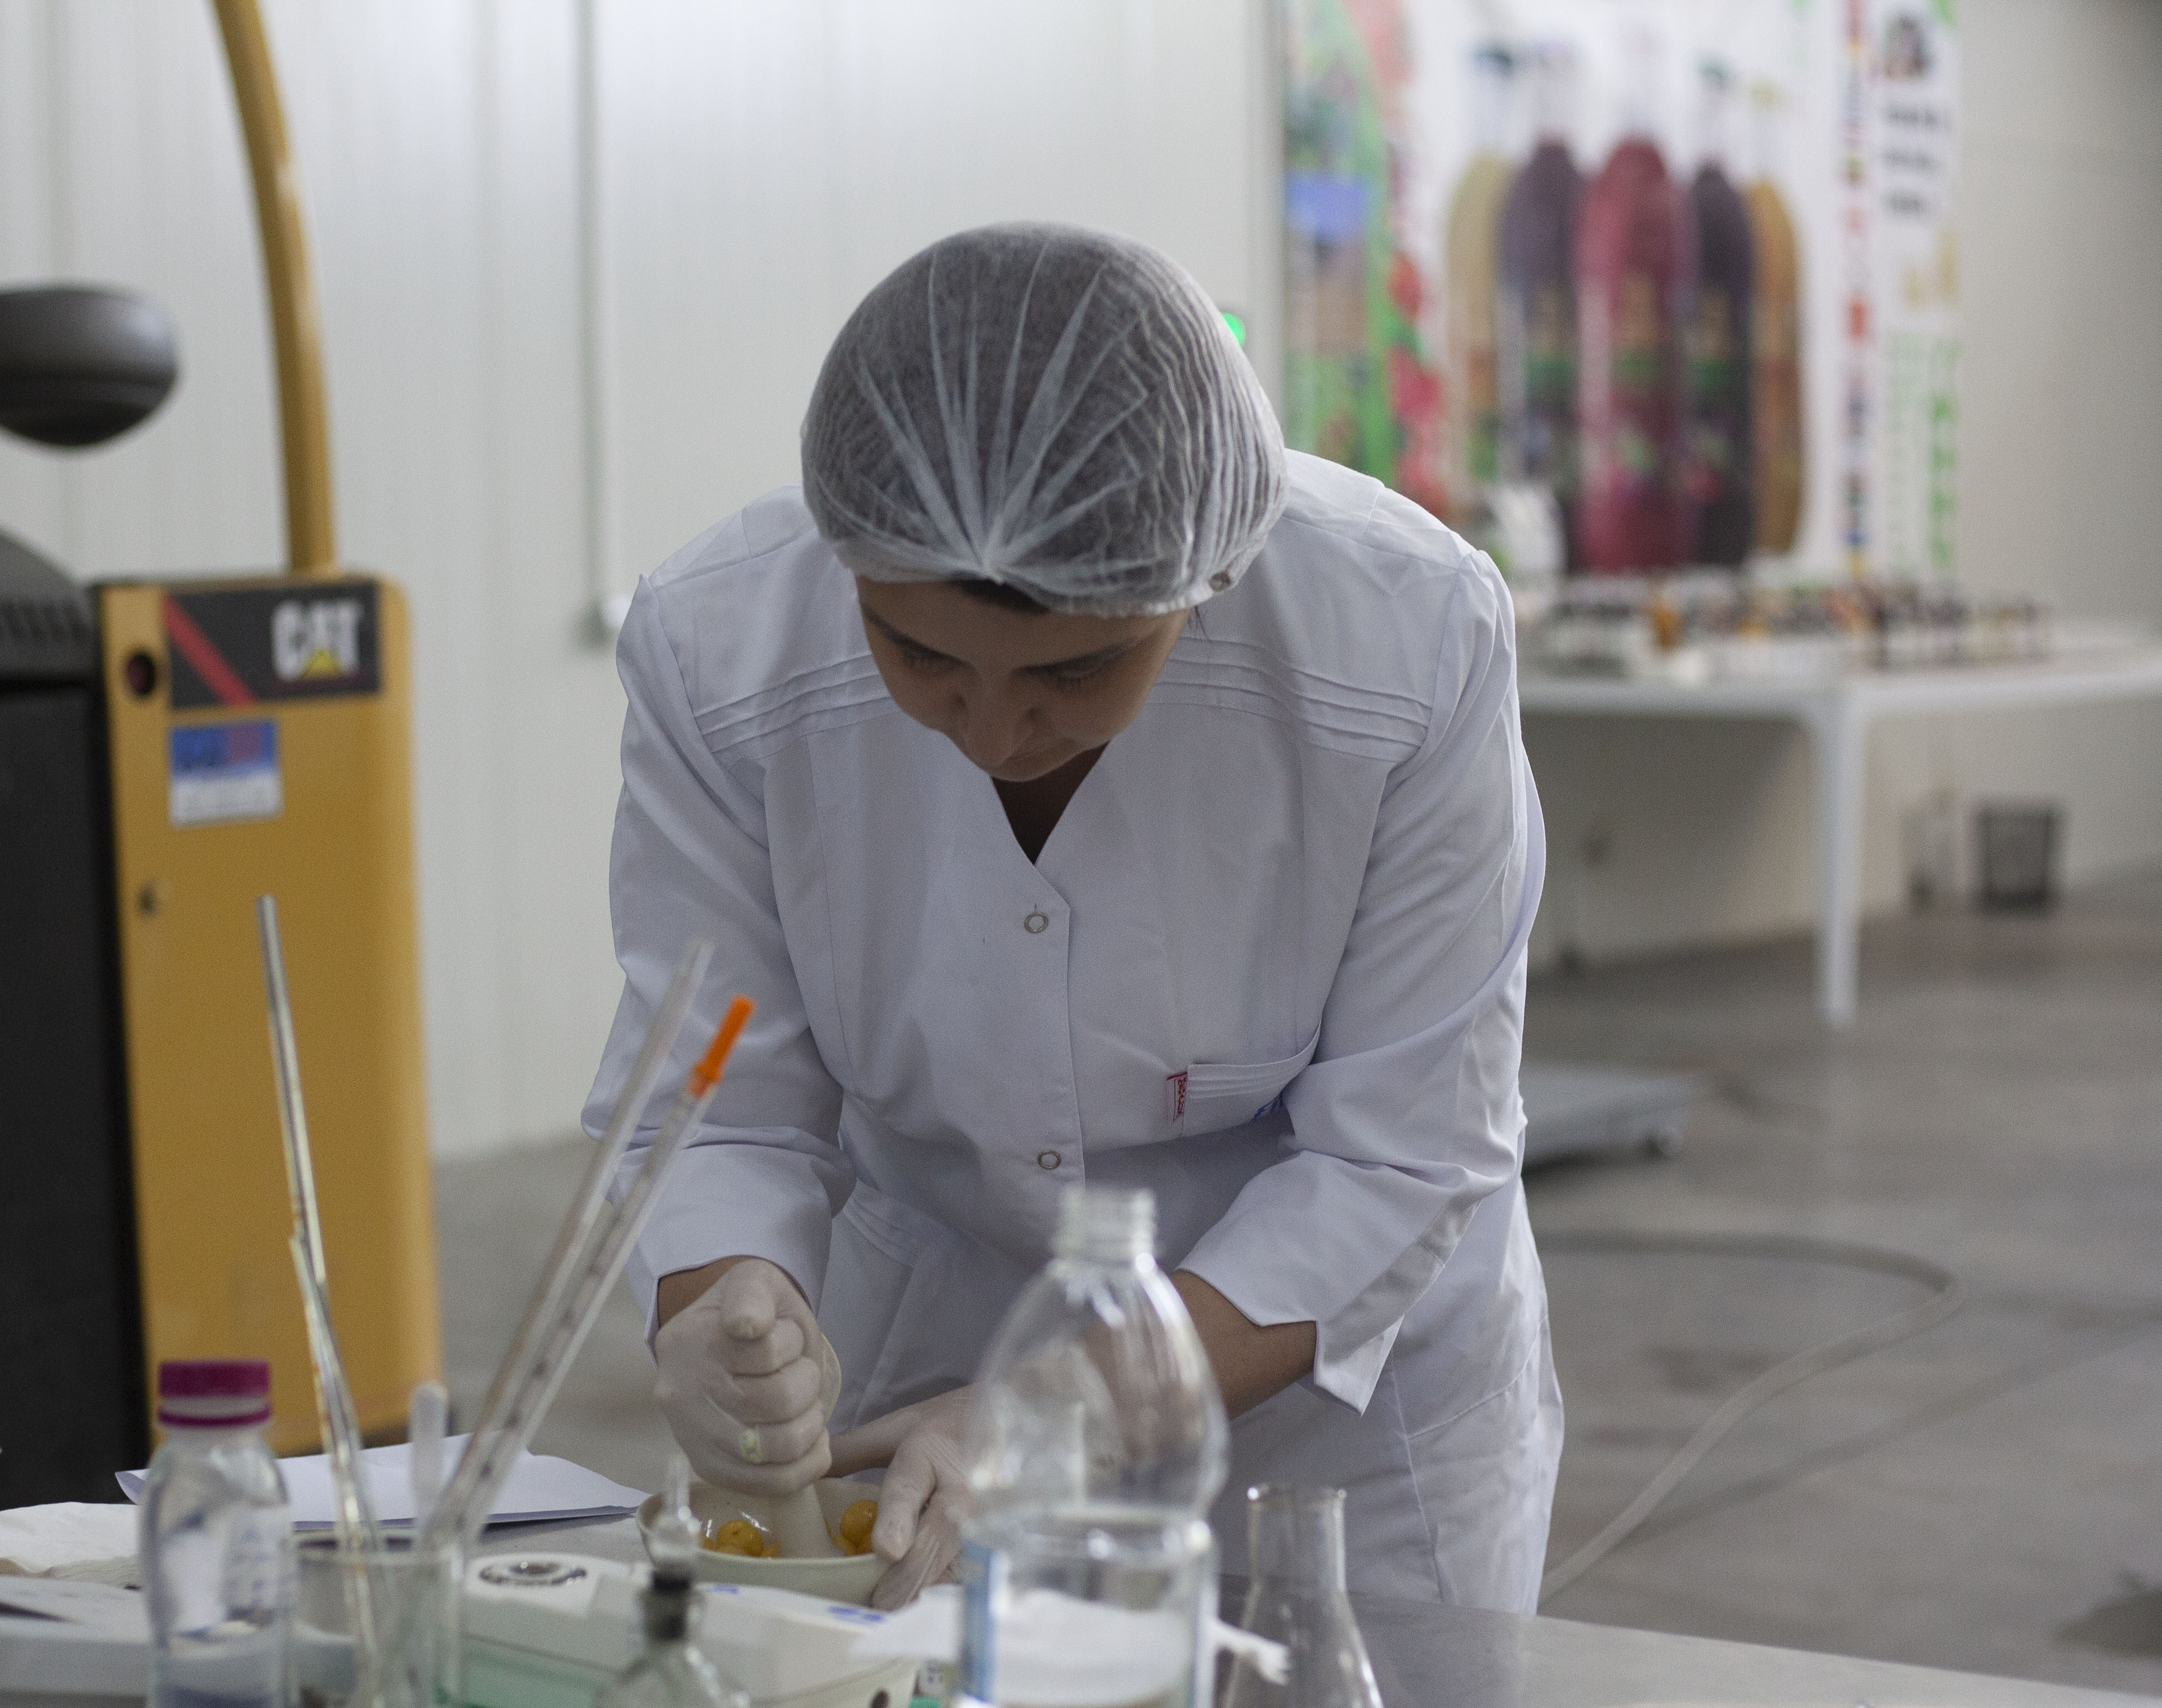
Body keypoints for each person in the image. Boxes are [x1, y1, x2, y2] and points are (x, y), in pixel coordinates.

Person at [584, 222, 1558, 1611]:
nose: (995, 729)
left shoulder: (1407, 640)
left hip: (1331, 1430)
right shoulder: (720, 651)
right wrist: (720, 1296)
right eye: (920, 655)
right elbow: (720, 1091)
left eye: (1077, 670)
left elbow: (1401, 1152)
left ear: (1206, 584)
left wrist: (1073, 1408)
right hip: (931, 1368)